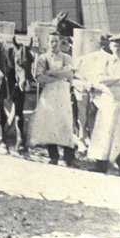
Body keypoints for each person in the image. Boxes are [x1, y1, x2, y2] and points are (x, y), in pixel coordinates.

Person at [86, 31, 120, 174]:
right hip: (108, 102)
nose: (117, 49)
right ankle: (100, 165)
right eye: (114, 46)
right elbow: (100, 78)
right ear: (110, 46)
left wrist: (111, 80)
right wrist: (118, 78)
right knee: (103, 133)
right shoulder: (106, 61)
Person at [28, 32, 78, 167]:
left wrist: (50, 72)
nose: (54, 44)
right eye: (51, 41)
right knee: (49, 123)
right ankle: (53, 156)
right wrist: (58, 76)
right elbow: (39, 77)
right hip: (49, 93)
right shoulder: (42, 58)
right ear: (47, 42)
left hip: (63, 93)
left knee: (65, 123)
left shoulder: (66, 57)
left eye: (56, 41)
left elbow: (69, 73)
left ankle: (69, 157)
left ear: (60, 43)